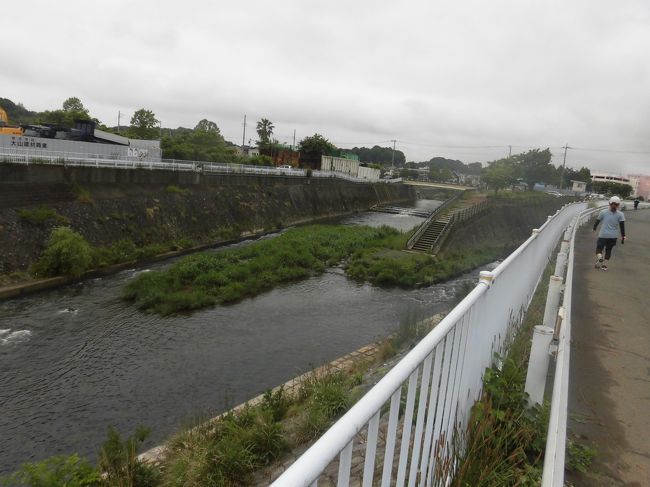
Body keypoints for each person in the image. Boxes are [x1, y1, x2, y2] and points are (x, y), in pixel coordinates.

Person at [593, 196, 626, 271]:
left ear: (609, 203)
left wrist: (594, 228)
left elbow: (597, 221)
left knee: (599, 249)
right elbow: (622, 227)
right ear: (618, 205)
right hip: (613, 236)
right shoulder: (621, 214)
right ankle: (604, 266)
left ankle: (600, 258)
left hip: (603, 235)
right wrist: (623, 236)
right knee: (609, 250)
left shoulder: (603, 212)